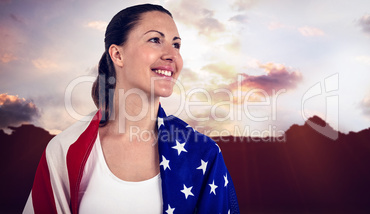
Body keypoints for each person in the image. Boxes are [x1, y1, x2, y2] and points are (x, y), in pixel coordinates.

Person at [23, 4, 239, 214]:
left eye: (176, 45)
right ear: (118, 55)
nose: (172, 55)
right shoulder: (65, 149)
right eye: (155, 40)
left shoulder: (203, 153)